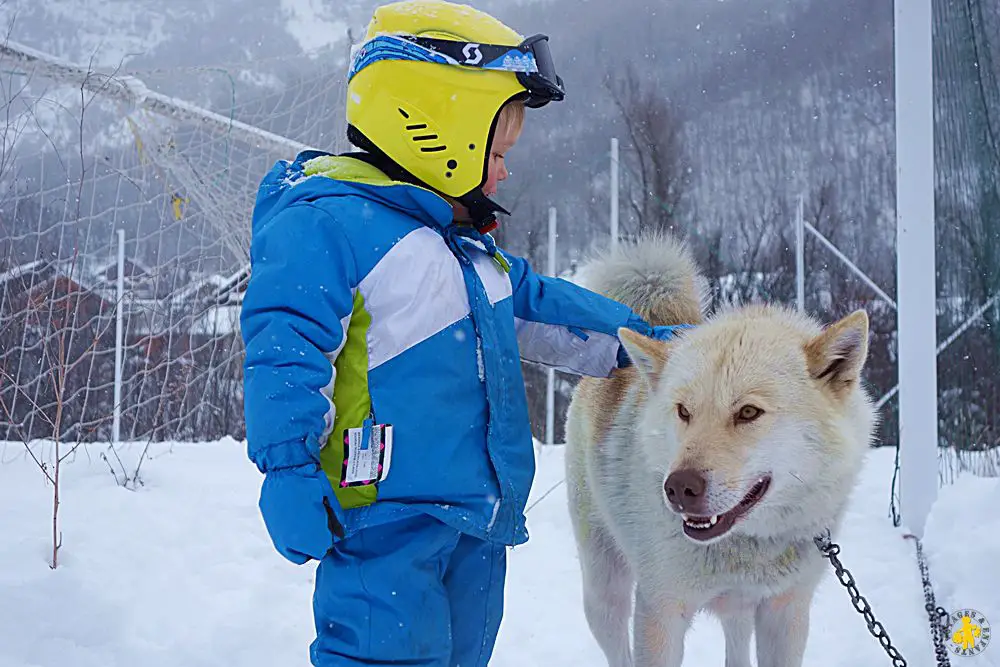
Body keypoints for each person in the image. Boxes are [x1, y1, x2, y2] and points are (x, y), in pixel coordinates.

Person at [239, 2, 683, 666]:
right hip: (382, 517)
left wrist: (649, 342)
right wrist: (289, 467)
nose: (505, 170)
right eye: (497, 151)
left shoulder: (470, 253)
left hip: (477, 518)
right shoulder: (329, 223)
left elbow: (548, 310)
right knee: (382, 655)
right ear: (435, 126)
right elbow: (285, 348)